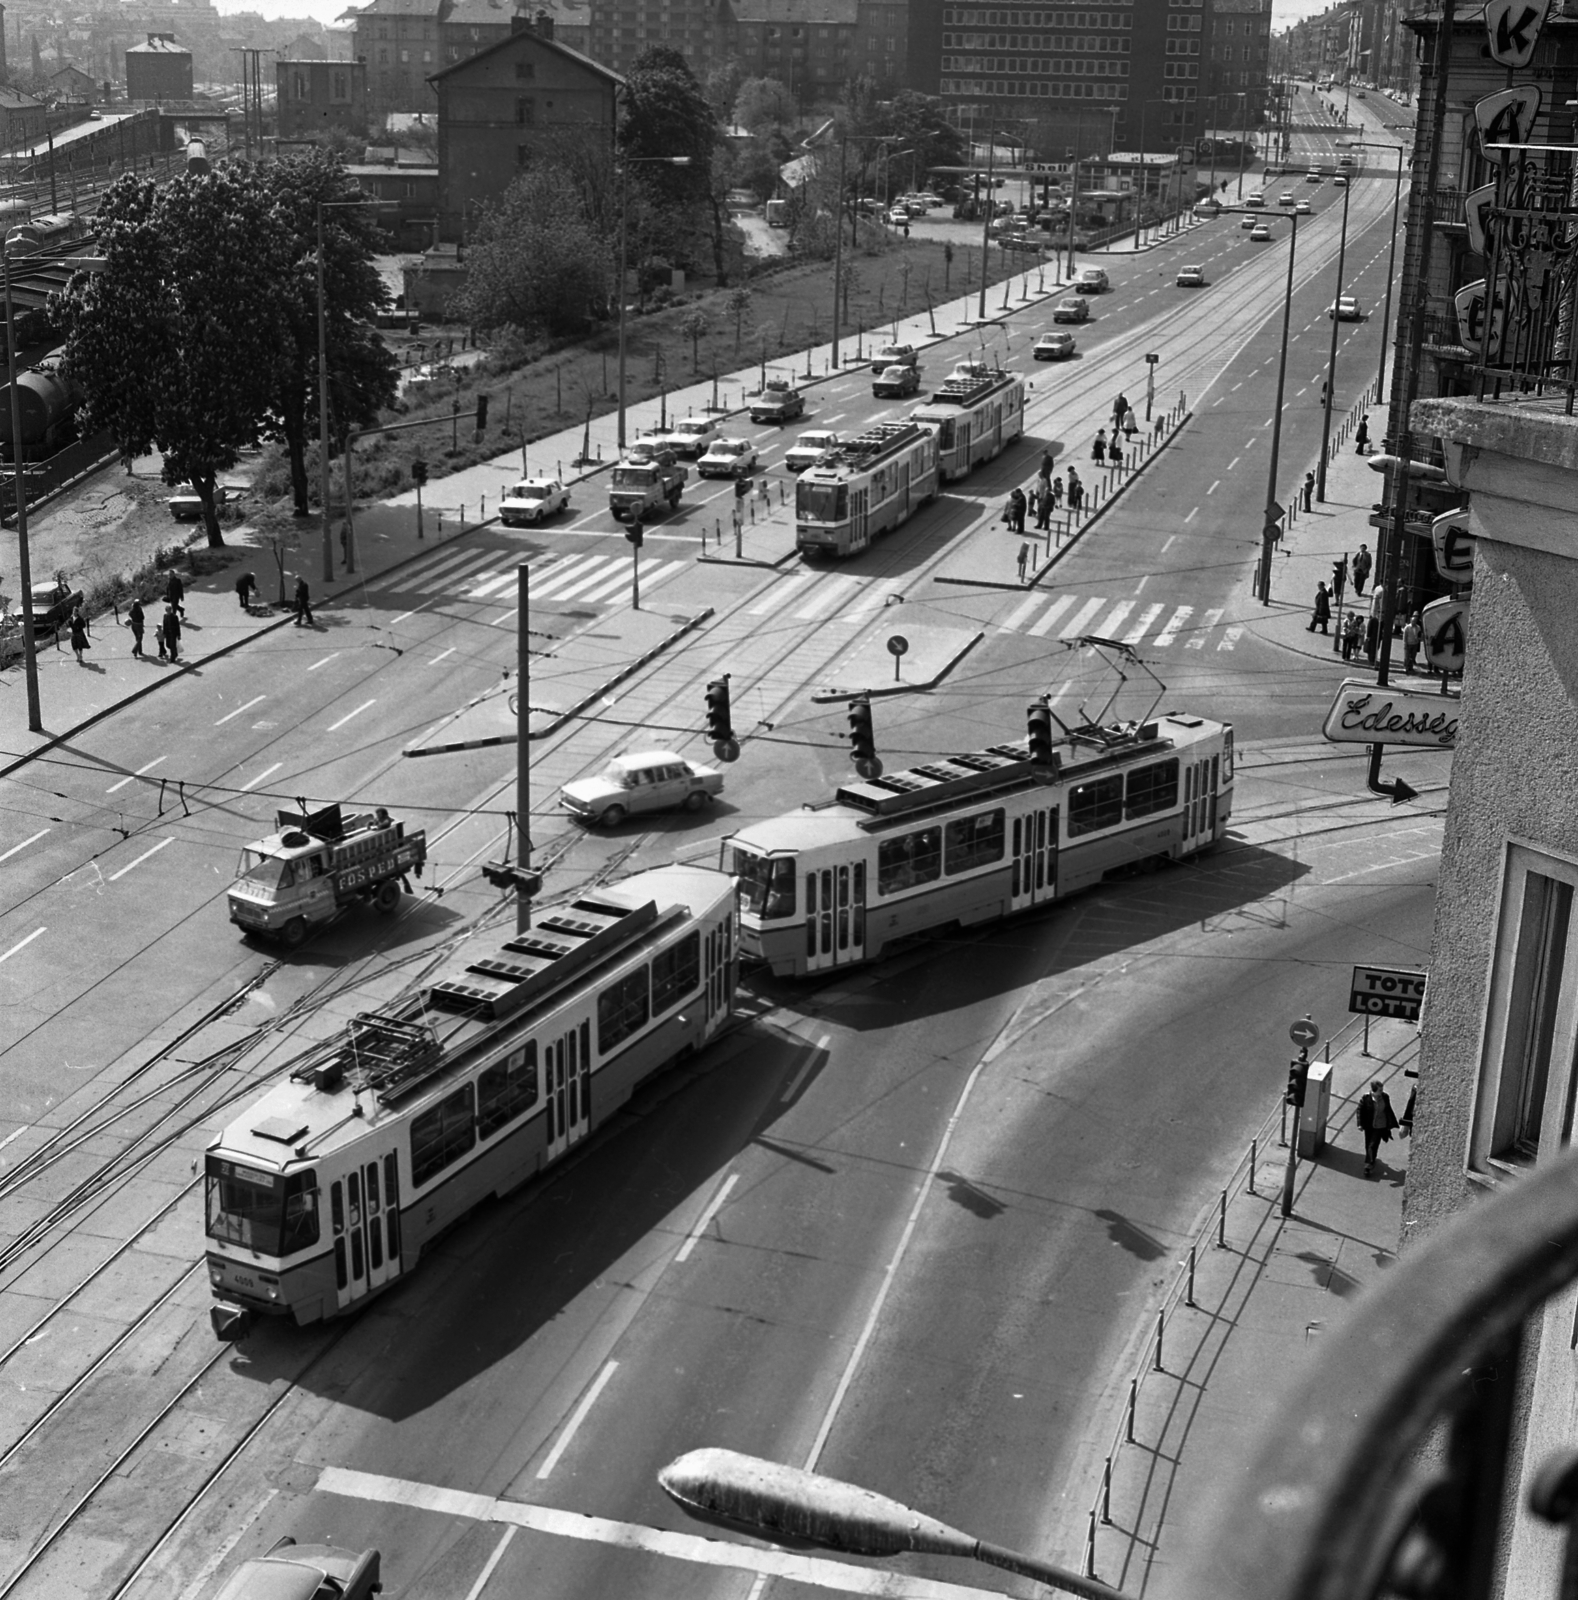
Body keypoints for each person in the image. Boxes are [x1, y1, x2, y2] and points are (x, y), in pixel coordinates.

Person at [1357, 1079, 1398, 1176]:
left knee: (1373, 1144)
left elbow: (1388, 1110)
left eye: (1382, 1089)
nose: (1381, 1092)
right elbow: (1359, 1110)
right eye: (1379, 1090)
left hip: (1380, 1125)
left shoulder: (1385, 1097)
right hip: (1369, 1125)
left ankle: (1368, 1165)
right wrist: (1359, 1124)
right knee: (1369, 1144)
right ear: (1374, 1090)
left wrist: (1390, 1123)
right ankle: (1372, 1159)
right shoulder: (1366, 1098)